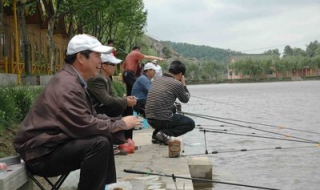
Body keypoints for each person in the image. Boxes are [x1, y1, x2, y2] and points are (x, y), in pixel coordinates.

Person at [13, 34, 142, 190]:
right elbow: (85, 125)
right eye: (97, 56)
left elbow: (91, 116)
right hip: (40, 154)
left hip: (51, 146)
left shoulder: (72, 80)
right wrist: (120, 123)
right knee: (98, 143)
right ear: (81, 57)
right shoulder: (68, 86)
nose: (101, 61)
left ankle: (108, 187)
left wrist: (117, 123)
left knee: (104, 139)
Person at [87, 53, 137, 154]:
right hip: (94, 110)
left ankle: (127, 139)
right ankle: (119, 142)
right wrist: (124, 101)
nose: (115, 67)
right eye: (113, 65)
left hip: (102, 107)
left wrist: (127, 100)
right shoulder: (97, 79)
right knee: (118, 107)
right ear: (104, 66)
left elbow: (113, 95)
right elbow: (107, 100)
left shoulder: (107, 78)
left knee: (126, 105)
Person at [145, 60, 195, 145]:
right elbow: (185, 99)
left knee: (172, 108)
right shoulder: (176, 84)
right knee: (190, 123)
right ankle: (165, 134)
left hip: (149, 118)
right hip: (161, 119)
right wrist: (183, 84)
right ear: (180, 74)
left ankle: (156, 136)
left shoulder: (157, 79)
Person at [121, 46, 165, 139]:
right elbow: (148, 57)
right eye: (153, 71)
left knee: (130, 98)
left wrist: (123, 78)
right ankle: (156, 128)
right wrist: (159, 58)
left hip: (126, 74)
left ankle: (132, 114)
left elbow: (122, 66)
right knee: (137, 103)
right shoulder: (135, 54)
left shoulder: (128, 55)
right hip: (130, 75)